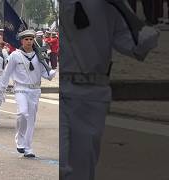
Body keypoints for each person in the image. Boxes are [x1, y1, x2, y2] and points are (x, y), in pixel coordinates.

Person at [61, 1, 159, 180]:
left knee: (80, 170)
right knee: (59, 163)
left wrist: (122, 8)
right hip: (57, 91)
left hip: (90, 96)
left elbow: (138, 46)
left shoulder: (108, 4)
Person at [0, 29, 56, 158]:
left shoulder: (39, 55)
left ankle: (28, 148)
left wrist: (50, 74)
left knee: (31, 120)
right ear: (22, 41)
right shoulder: (15, 55)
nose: (29, 42)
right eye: (26, 39)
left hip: (35, 90)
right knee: (23, 113)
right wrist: (1, 91)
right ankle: (20, 140)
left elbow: (43, 73)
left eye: (31, 39)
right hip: (21, 89)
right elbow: (6, 74)